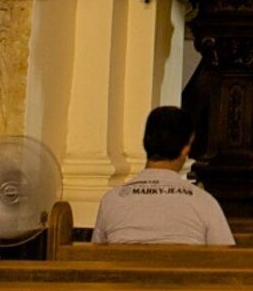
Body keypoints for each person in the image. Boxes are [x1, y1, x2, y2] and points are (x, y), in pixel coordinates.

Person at [91, 103, 234, 245]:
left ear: (145, 142)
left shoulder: (111, 201)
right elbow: (224, 255)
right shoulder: (204, 203)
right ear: (186, 148)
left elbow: (96, 254)